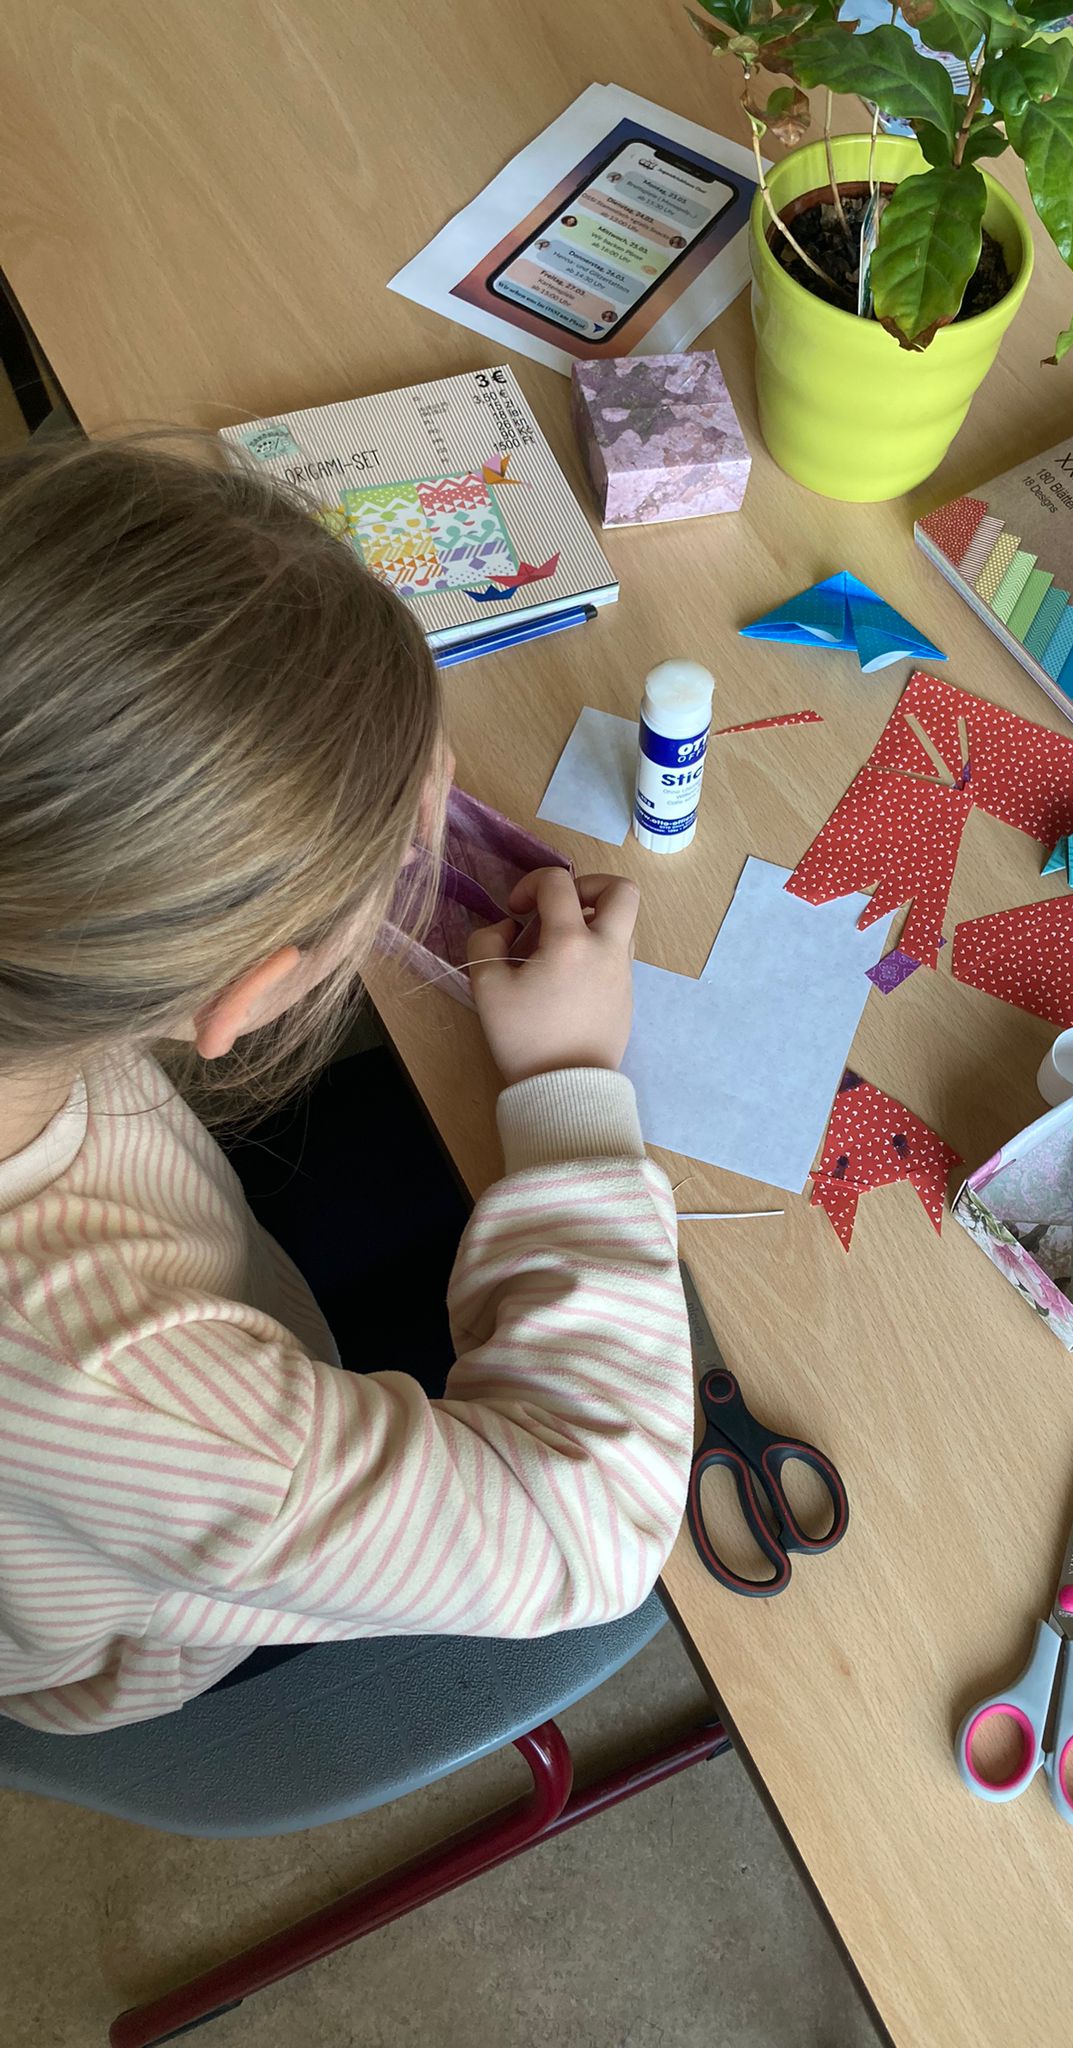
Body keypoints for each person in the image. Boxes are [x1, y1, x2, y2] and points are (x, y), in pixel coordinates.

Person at [0, 437, 693, 1734]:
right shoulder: (122, 1395)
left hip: (180, 1312)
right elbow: (597, 1531)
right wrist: (570, 1085)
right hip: (151, 1603)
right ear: (240, 1000)